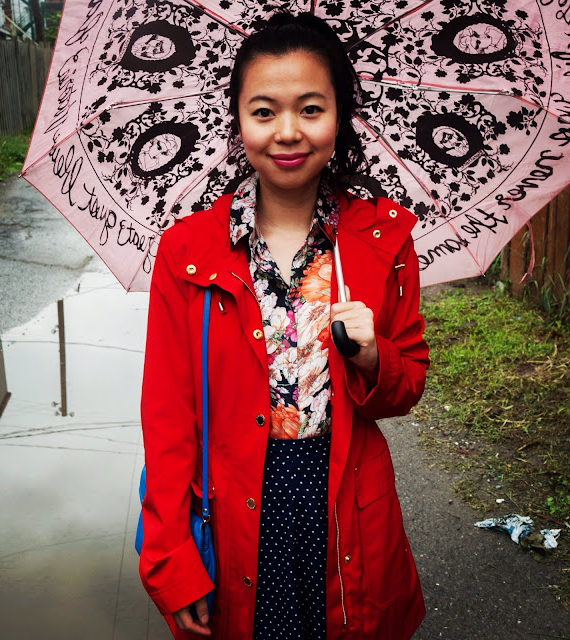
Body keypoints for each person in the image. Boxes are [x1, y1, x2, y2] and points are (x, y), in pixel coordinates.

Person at [139, 12, 429, 640]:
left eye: (311, 109)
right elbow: (167, 416)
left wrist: (374, 358)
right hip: (237, 507)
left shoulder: (381, 242)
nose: (288, 132)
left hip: (347, 504)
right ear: (238, 119)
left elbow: (406, 388)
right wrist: (171, 558)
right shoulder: (189, 252)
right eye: (264, 111)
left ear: (339, 118)